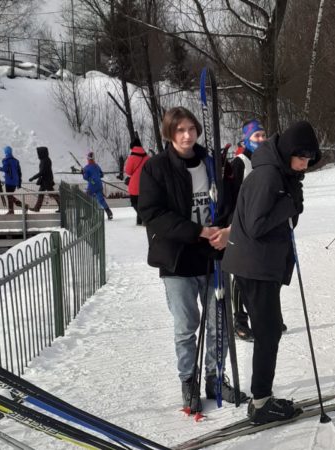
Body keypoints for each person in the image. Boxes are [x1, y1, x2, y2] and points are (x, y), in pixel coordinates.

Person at [138, 106, 247, 414]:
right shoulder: (156, 168)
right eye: (179, 130)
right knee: (186, 326)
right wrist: (198, 230)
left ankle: (215, 377)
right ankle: (189, 381)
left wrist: (225, 230)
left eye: (190, 129)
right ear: (170, 134)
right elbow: (153, 214)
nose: (186, 135)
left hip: (213, 257)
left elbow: (229, 203)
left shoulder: (212, 163)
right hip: (178, 260)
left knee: (218, 322)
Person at [222, 121, 321, 425]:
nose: (304, 166)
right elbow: (255, 224)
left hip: (261, 263)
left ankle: (261, 396)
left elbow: (285, 216)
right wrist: (289, 203)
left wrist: (292, 201)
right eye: (301, 159)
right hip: (255, 265)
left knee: (270, 329)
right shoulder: (267, 175)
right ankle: (261, 402)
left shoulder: (280, 172)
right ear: (289, 152)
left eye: (308, 161)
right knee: (268, 332)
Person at [228, 119, 269, 341]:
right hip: (241, 226)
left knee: (261, 273)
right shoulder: (240, 162)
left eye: (263, 135)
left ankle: (264, 317)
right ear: (247, 139)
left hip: (261, 226)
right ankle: (239, 320)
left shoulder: (267, 161)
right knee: (241, 275)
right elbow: (232, 197)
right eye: (256, 136)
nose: (261, 140)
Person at [81, 152, 113, 220]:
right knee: (101, 200)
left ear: (88, 159)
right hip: (99, 185)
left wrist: (83, 173)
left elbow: (85, 177)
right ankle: (109, 212)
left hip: (92, 186)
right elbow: (101, 175)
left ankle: (88, 214)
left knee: (88, 199)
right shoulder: (97, 166)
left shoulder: (86, 168)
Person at [124, 137, 148, 225]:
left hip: (135, 184)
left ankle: (144, 218)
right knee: (142, 203)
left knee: (134, 202)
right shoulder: (147, 156)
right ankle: (139, 222)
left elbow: (128, 171)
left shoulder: (132, 157)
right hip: (146, 184)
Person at [29, 146, 60, 212]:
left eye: (39, 153)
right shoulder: (45, 159)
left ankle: (62, 206)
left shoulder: (45, 160)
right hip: (45, 180)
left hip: (47, 181)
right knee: (43, 193)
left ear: (42, 153)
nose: (38, 154)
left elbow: (41, 172)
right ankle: (37, 208)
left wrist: (33, 178)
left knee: (52, 194)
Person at [0, 146, 23, 214]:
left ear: (6, 152)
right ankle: (18, 207)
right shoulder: (16, 161)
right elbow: (18, 172)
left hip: (9, 182)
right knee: (10, 195)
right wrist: (18, 183)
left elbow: (5, 169)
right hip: (15, 182)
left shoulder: (6, 160)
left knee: (9, 196)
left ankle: (14, 209)